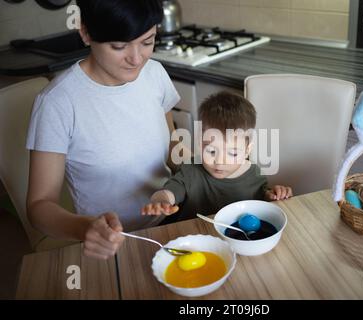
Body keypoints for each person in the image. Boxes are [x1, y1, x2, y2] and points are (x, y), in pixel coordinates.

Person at [26, 0, 180, 260]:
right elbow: (39, 206)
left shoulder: (154, 73)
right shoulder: (57, 102)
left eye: (147, 41)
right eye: (119, 46)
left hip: (171, 226)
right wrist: (86, 228)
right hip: (112, 245)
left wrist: (214, 165)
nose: (136, 58)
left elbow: (173, 149)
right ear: (86, 33)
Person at [141, 91, 293, 222]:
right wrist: (160, 201)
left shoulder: (253, 172)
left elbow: (261, 198)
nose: (220, 161)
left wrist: (273, 195)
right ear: (200, 144)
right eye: (212, 151)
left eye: (233, 153)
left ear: (247, 150)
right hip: (195, 238)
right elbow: (169, 193)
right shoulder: (191, 170)